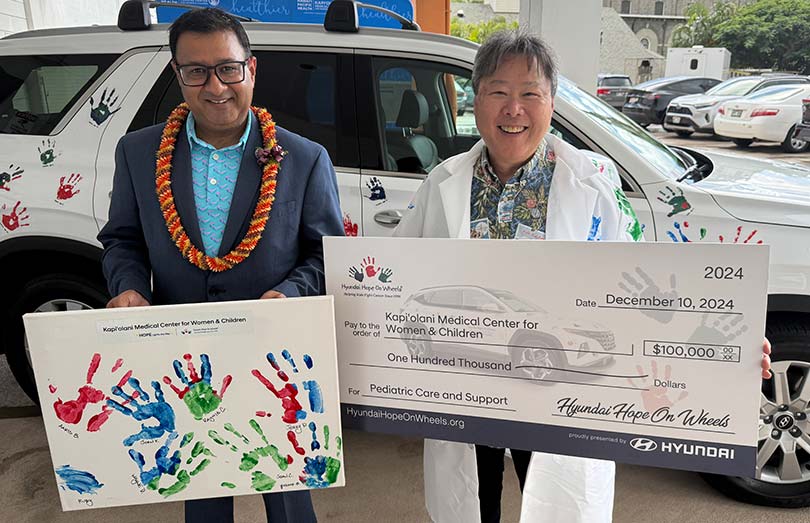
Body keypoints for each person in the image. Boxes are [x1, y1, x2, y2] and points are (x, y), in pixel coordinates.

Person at [393, 30, 772, 523]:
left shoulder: (594, 183)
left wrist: (727, 344)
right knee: (469, 501)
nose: (514, 109)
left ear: (551, 102)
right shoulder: (442, 182)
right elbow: (396, 280)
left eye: (530, 93)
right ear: (476, 99)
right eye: (498, 92)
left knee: (557, 498)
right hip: (470, 383)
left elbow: (640, 285)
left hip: (556, 382)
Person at [97, 7, 342, 523]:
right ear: (177, 73)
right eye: (197, 71)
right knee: (200, 477)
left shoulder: (303, 158)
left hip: (276, 358)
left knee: (288, 484)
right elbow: (122, 240)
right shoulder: (137, 153)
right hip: (182, 358)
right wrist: (129, 287)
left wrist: (291, 293)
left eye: (228, 68)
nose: (215, 87)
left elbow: (325, 254)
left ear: (251, 68)